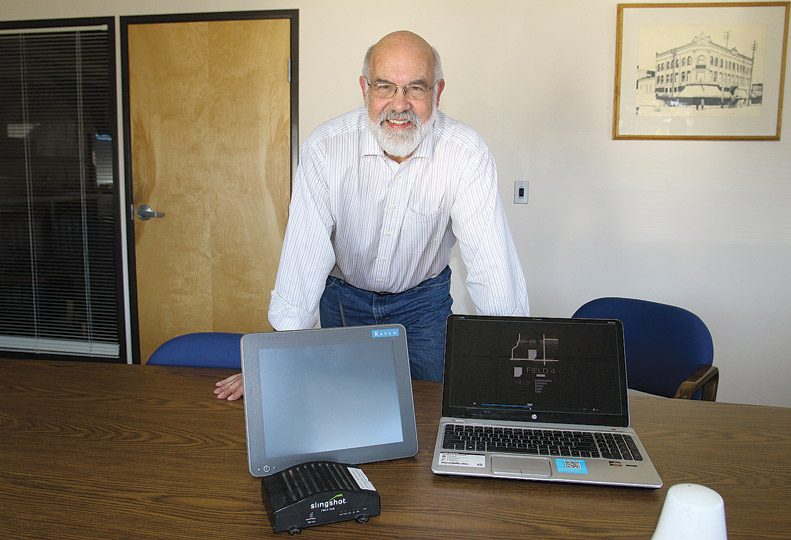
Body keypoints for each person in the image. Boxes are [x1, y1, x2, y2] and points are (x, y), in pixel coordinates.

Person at [215, 30, 528, 400]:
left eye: (416, 88)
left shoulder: (466, 153)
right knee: (344, 407)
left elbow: (491, 267)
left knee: (429, 408)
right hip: (344, 299)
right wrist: (273, 360)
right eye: (384, 87)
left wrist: (514, 366)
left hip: (424, 305)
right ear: (365, 89)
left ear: (437, 93)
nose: (399, 104)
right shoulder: (325, 149)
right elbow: (304, 258)